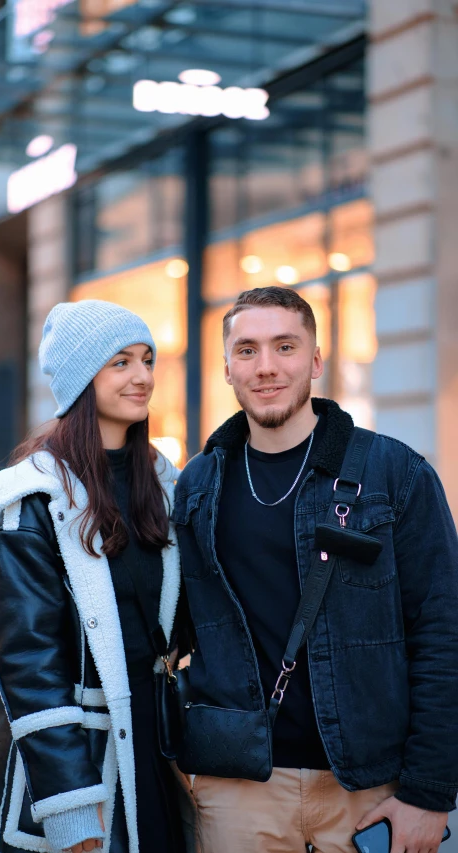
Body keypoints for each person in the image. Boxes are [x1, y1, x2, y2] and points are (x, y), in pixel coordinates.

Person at [173, 286, 458, 853]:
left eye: (285, 346)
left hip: (366, 784)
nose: (267, 367)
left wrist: (429, 792)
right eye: (248, 350)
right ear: (227, 368)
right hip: (238, 786)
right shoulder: (198, 484)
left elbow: (442, 632)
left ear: (316, 361)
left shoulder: (394, 472)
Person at [0, 300, 187, 853]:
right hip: (77, 764)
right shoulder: (36, 498)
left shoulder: (165, 487)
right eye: (120, 362)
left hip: (153, 747)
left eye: (147, 359)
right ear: (81, 379)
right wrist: (72, 808)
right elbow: (27, 662)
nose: (143, 376)